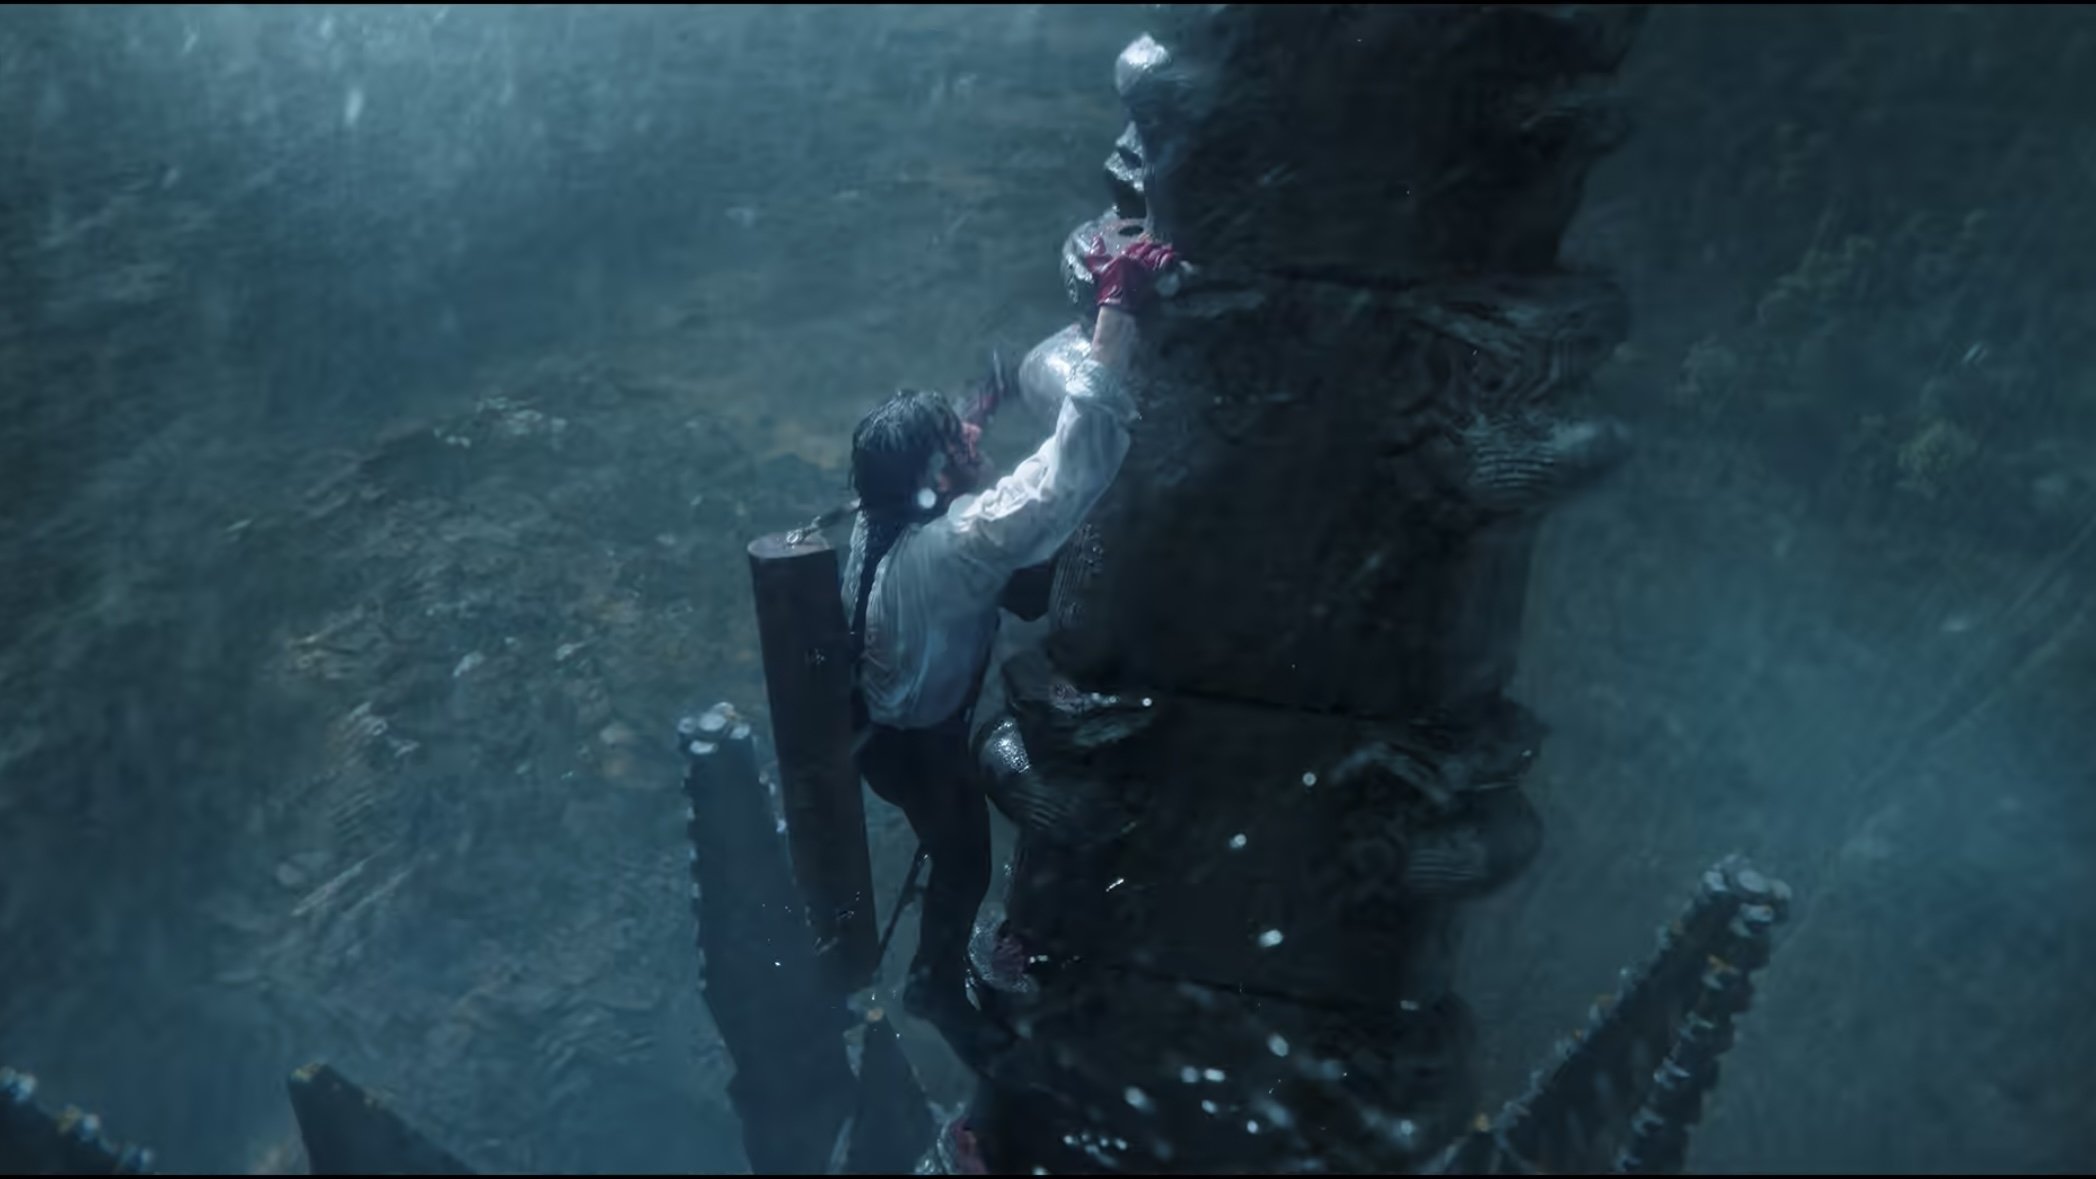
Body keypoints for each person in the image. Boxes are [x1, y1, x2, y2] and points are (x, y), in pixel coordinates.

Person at [843, 236, 1178, 1057]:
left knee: (1020, 580)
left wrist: (979, 408)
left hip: (882, 725)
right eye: (959, 447)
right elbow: (1065, 471)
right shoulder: (953, 547)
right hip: (920, 745)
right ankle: (934, 983)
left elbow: (947, 465)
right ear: (936, 480)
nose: (973, 443)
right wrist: (1117, 304)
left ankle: (939, 967)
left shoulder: (881, 516)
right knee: (963, 863)